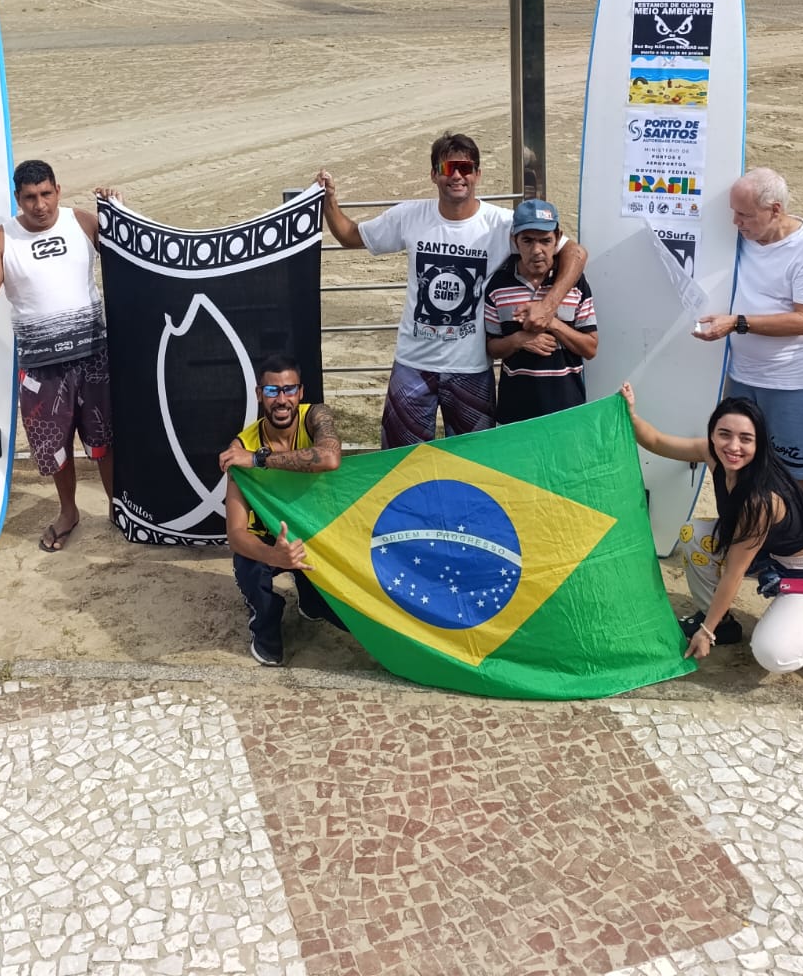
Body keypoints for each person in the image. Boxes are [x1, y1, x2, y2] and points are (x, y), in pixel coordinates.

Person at [317, 132, 586, 449]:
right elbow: (351, 236)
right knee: (400, 462)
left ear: (478, 174)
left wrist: (548, 306)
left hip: (471, 367)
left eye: (466, 168)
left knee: (473, 463)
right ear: (434, 175)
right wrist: (328, 200)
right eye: (447, 168)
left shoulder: (502, 224)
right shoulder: (410, 216)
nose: (457, 176)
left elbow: (574, 253)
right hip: (413, 365)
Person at [620, 382, 803, 676]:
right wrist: (629, 413)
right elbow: (656, 441)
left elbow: (733, 571)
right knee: (694, 535)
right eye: (724, 434)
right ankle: (722, 623)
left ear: (759, 444)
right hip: (773, 554)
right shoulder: (712, 453)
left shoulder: (759, 500)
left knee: (771, 654)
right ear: (712, 434)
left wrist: (705, 633)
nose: (733, 446)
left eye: (746, 438)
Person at [0, 158, 118, 553]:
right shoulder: (2, 239)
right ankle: (68, 511)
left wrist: (119, 214)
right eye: (30, 197)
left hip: (94, 356)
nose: (40, 205)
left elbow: (134, 260)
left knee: (104, 440)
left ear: (58, 191)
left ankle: (117, 508)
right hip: (41, 367)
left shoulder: (82, 223)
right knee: (55, 446)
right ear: (18, 198)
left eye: (46, 194)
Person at [693, 168, 803, 492]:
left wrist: (737, 323)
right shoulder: (745, 237)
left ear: (775, 210)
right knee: (737, 464)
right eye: (734, 212)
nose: (735, 223)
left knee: (790, 473)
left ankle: (795, 539)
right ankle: (747, 535)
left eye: (744, 215)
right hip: (741, 376)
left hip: (789, 382)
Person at [219, 353, 347, 666]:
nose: (282, 399)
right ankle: (264, 623)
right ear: (260, 394)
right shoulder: (242, 446)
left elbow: (330, 458)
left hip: (315, 531)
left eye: (289, 390)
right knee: (251, 566)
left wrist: (259, 460)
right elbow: (235, 535)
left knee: (342, 614)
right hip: (269, 542)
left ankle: (311, 598)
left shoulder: (315, 415)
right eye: (273, 391)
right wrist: (275, 556)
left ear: (301, 393)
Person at [484, 199, 597, 425]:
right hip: (515, 413)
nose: (537, 251)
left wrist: (552, 323)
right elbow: (492, 347)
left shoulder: (574, 283)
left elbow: (590, 348)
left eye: (545, 241)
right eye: (527, 241)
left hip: (568, 411)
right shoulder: (499, 284)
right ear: (514, 239)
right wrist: (519, 340)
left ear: (557, 239)